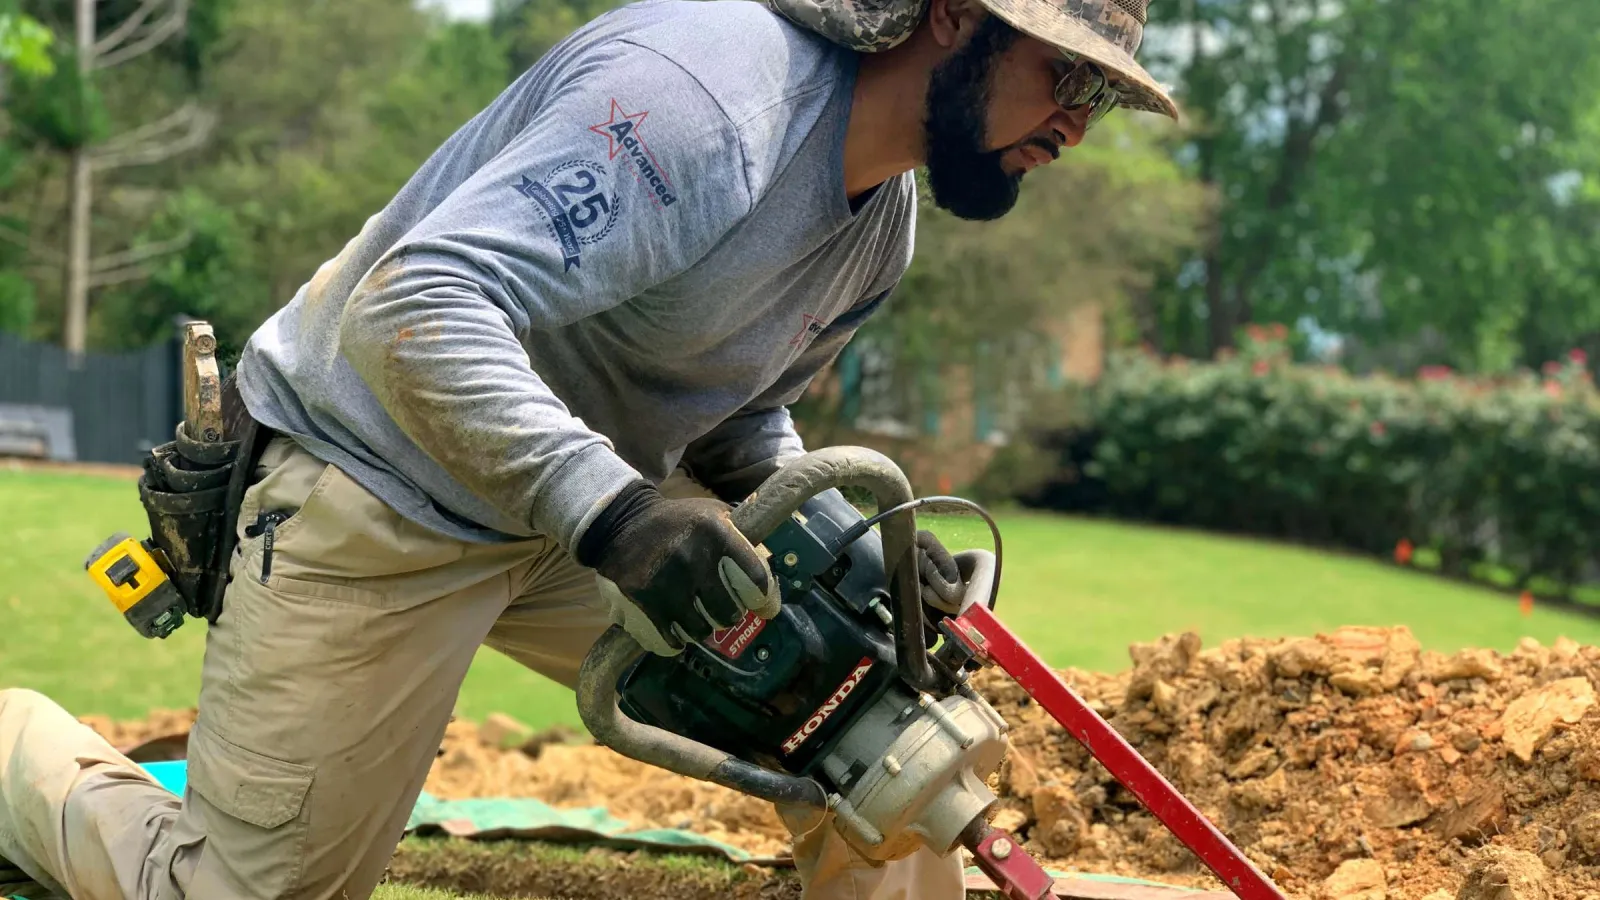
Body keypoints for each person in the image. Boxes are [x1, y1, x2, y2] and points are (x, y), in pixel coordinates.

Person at [0, 0, 1176, 897]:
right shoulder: (703, 105)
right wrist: (614, 514)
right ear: (952, 17)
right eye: (1063, 72)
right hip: (381, 484)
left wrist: (841, 543)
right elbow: (415, 305)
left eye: (1101, 97)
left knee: (876, 735)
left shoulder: (883, 222)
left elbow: (732, 411)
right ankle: (13, 753)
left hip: (584, 514)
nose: (1076, 121)